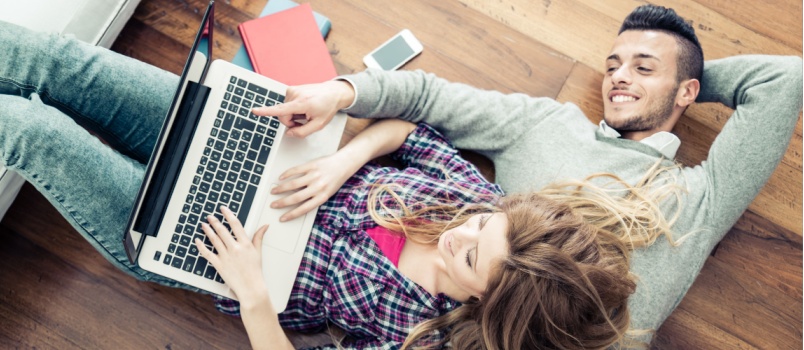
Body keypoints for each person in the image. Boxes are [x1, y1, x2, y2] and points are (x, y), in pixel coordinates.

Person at [0, 12, 680, 350]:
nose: (461, 231)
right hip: (247, 147)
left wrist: (254, 295)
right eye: (481, 222)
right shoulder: (474, 208)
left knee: (30, 131)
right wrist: (343, 160)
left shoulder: (419, 337)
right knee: (57, 61)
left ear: (489, 308)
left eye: (471, 254)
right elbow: (409, 134)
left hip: (210, 249)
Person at [255, 4, 803, 344]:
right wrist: (343, 92)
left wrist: (683, 81)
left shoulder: (698, 199)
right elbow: (430, 98)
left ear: (688, 90)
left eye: (642, 66)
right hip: (389, 238)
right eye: (612, 65)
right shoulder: (547, 126)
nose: (619, 77)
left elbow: (786, 80)